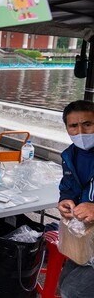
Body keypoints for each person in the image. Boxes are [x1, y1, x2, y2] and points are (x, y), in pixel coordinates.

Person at [58, 100, 94, 298]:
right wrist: (65, 199)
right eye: (73, 126)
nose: (81, 131)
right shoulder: (70, 155)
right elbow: (68, 186)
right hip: (86, 235)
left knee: (73, 291)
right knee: (64, 283)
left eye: (87, 124)